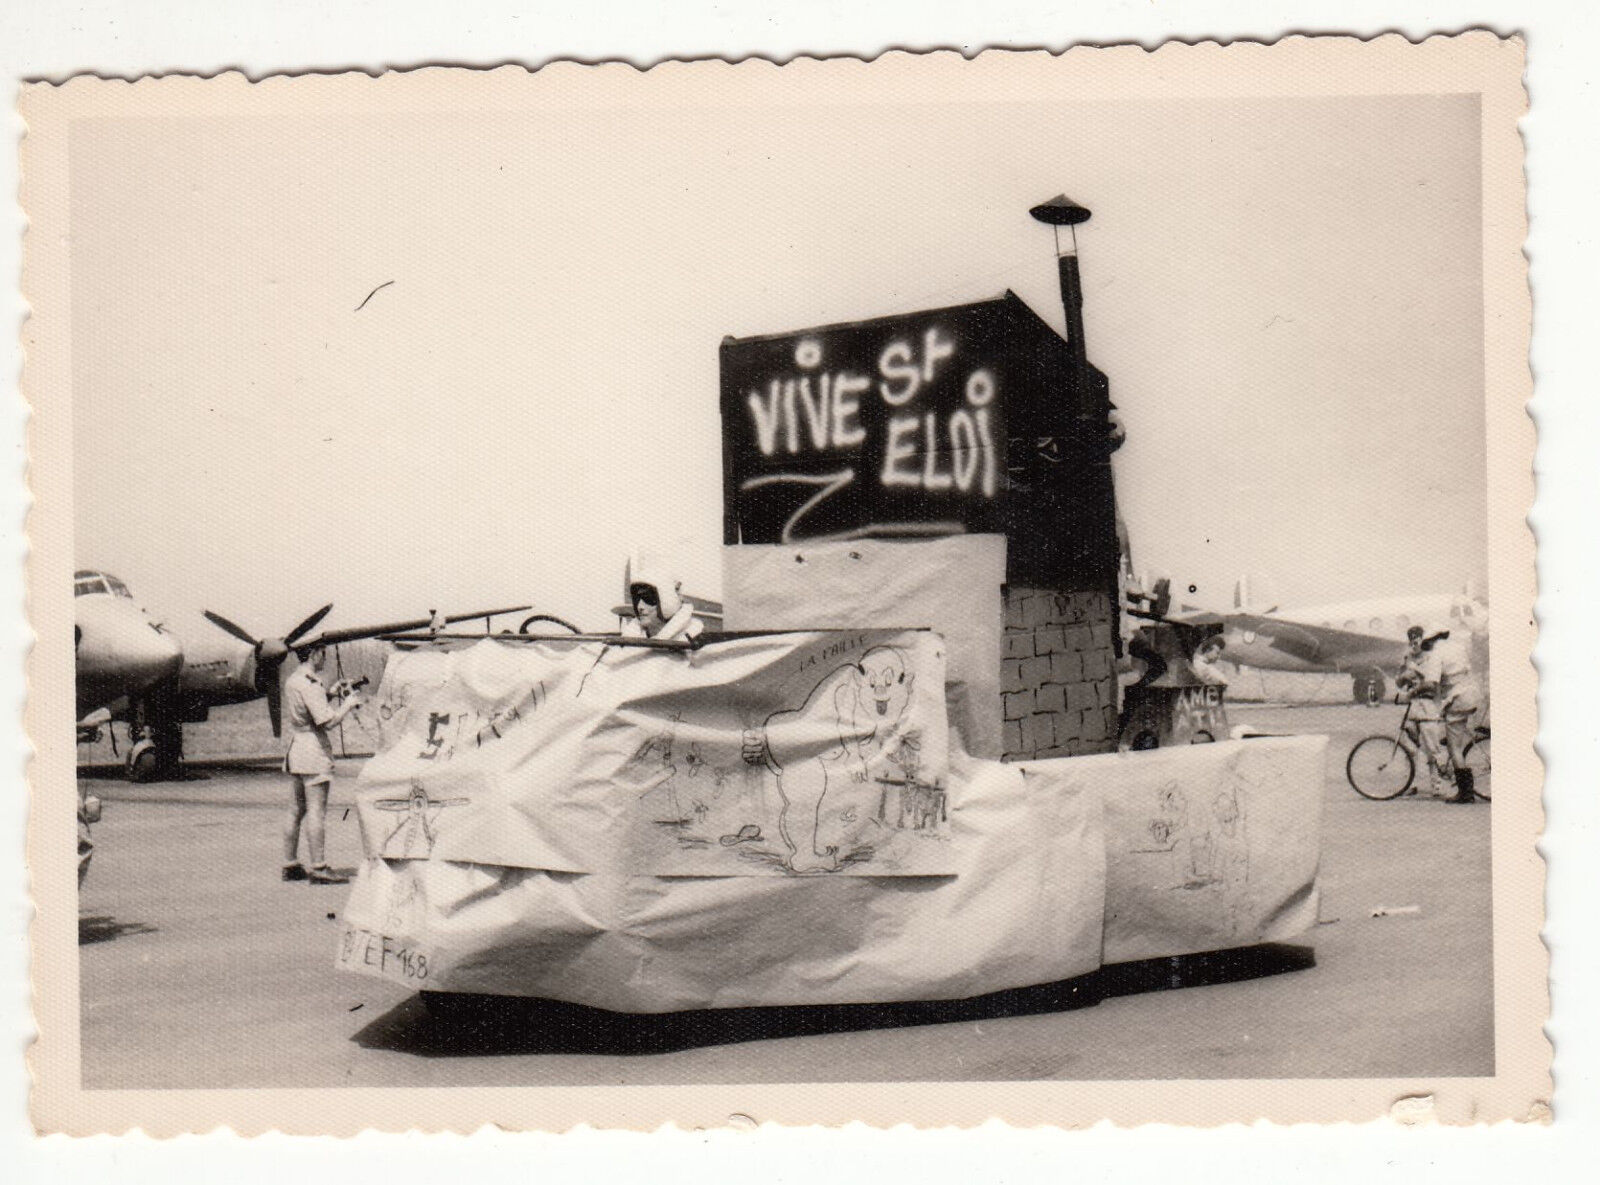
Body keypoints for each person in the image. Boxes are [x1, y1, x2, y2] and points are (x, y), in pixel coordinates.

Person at [281, 641, 364, 882]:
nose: (324, 658)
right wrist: (348, 704)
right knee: (317, 810)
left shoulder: (294, 680)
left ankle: (290, 863)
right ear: (314, 654)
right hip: (313, 751)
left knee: (296, 810)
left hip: (297, 748)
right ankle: (319, 867)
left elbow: (308, 707)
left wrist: (330, 692)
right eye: (322, 653)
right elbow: (326, 721)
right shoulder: (311, 684)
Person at [1430, 621, 1486, 805]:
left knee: (1455, 748)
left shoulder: (1436, 654)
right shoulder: (1458, 647)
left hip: (1458, 698)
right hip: (1471, 693)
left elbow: (1433, 683)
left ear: (1431, 640)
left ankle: (1465, 793)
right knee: (1452, 735)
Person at [1395, 624, 1451, 798]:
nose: (1414, 643)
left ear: (1422, 639)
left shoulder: (1432, 658)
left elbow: (1433, 684)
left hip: (1428, 707)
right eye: (1411, 639)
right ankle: (1411, 783)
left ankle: (1437, 785)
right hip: (1412, 708)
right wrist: (1403, 677)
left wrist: (1417, 673)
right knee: (1409, 747)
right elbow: (1399, 682)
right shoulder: (1407, 658)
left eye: (1417, 639)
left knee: (1432, 748)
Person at [619, 556, 704, 642]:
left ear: (666, 600)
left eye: (647, 598)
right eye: (637, 599)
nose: (639, 606)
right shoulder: (628, 641)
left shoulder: (695, 643)